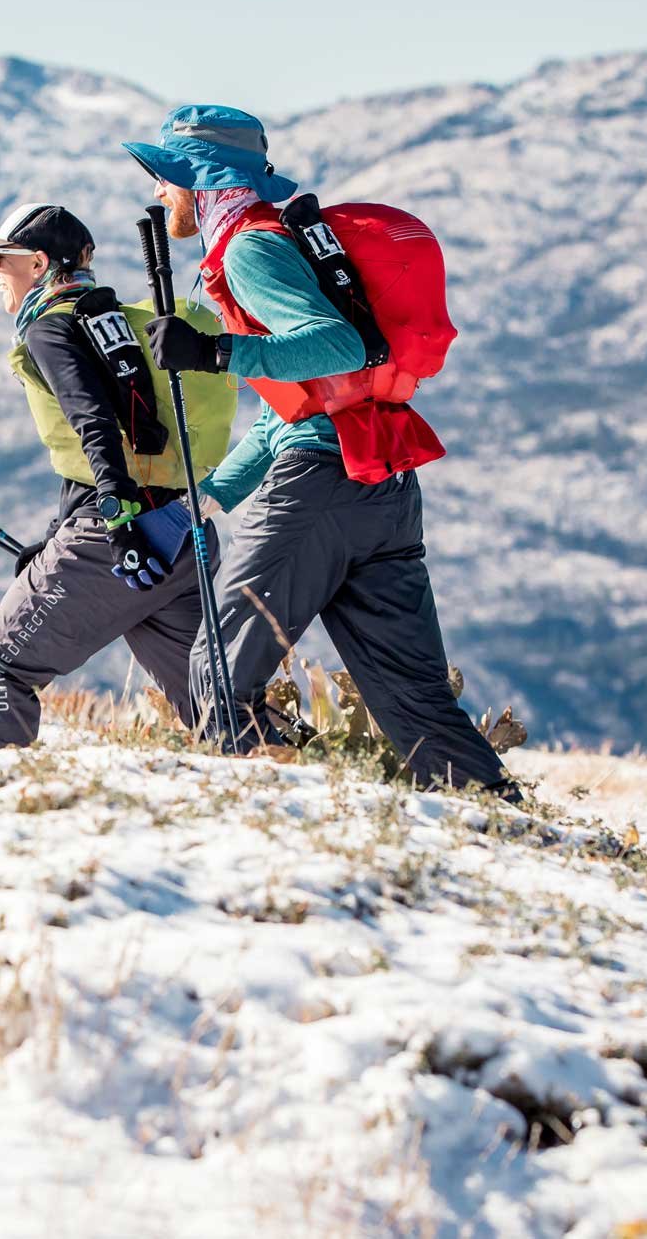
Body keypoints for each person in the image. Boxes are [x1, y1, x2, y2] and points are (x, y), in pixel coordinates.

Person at [121, 107, 521, 794]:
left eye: (166, 175)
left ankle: (250, 819)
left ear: (202, 179)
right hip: (381, 487)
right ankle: (510, 827)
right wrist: (201, 504)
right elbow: (299, 409)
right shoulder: (275, 241)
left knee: (218, 667)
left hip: (322, 488)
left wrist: (217, 351)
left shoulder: (248, 249)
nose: (159, 191)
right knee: (416, 703)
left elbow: (338, 344)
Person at [0, 202, 236, 746]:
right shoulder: (110, 322)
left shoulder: (50, 328)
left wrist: (117, 520)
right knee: (215, 702)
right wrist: (58, 537)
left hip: (122, 535)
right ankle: (290, 791)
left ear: (38, 264)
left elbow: (95, 424)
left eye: (0, 257)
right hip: (181, 530)